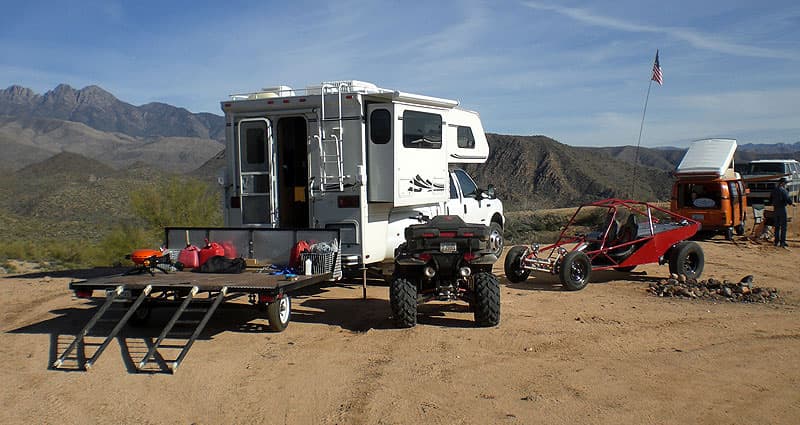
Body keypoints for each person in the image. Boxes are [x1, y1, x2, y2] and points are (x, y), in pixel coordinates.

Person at [770, 177, 794, 248]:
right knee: (783, 226)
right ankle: (782, 242)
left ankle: (776, 241)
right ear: (782, 183)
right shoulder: (783, 190)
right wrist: (791, 203)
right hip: (782, 209)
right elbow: (787, 198)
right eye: (785, 183)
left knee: (777, 226)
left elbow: (770, 199)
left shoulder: (774, 190)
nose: (786, 185)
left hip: (775, 209)